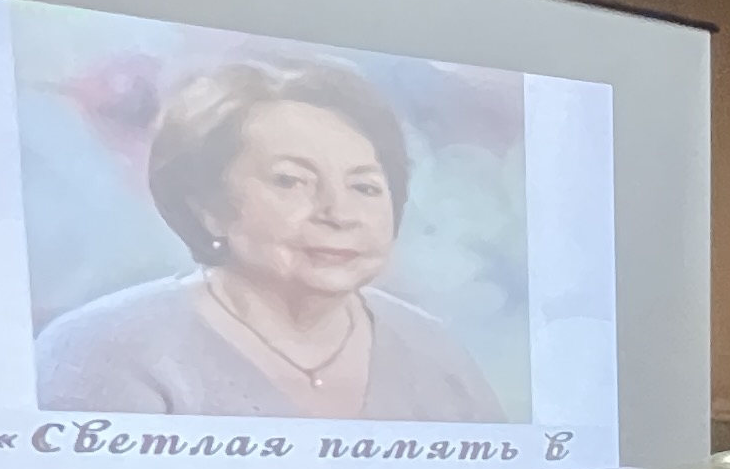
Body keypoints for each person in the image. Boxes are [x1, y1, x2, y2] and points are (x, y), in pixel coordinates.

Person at [32, 57, 506, 420]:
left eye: (364, 187)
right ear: (205, 205)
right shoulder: (102, 352)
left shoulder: (434, 351)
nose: (339, 214)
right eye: (291, 181)